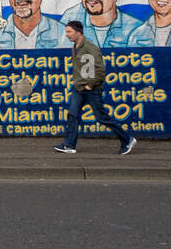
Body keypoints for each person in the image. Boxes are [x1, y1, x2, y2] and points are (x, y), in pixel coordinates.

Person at [54, 20, 136, 155]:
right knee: (72, 115)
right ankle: (69, 145)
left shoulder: (90, 48)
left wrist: (90, 85)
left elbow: (100, 70)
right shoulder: (76, 46)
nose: (67, 35)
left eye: (69, 32)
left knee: (102, 117)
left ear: (78, 32)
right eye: (66, 32)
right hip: (79, 88)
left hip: (91, 89)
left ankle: (127, 139)